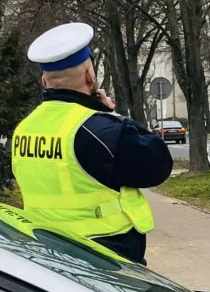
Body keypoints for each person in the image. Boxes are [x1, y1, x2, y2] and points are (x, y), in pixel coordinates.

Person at [12, 22, 173, 265]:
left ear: (44, 82)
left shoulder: (24, 129)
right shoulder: (101, 130)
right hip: (105, 261)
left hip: (47, 256)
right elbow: (158, 164)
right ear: (90, 75)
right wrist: (112, 115)